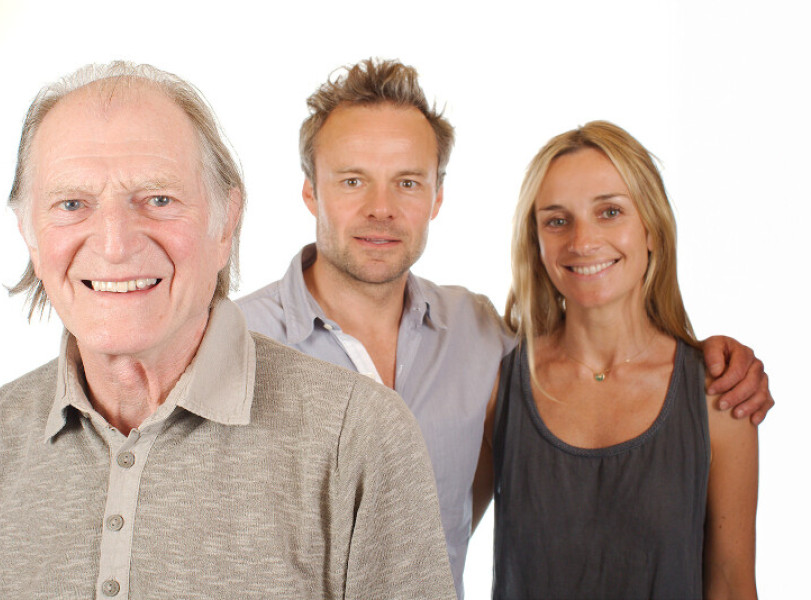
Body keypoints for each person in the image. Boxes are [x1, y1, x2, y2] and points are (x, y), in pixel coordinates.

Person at [236, 58, 773, 598]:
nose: (382, 208)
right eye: (353, 180)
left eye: (407, 182)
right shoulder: (231, 345)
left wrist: (715, 359)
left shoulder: (479, 339)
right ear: (310, 192)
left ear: (436, 197)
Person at [0, 61, 456, 600]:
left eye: (158, 199)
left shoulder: (360, 436)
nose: (114, 243)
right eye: (71, 204)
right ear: (29, 234)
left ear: (226, 221)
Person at [489, 121, 759, 599]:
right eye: (556, 220)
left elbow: (732, 583)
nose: (582, 241)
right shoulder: (499, 380)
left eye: (610, 212)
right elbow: (437, 543)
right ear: (536, 241)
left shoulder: (718, 394)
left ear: (651, 229)